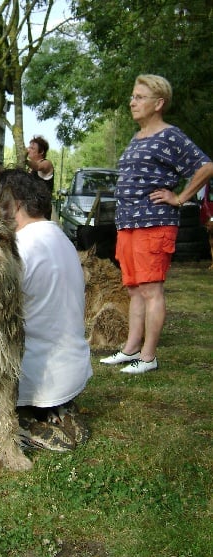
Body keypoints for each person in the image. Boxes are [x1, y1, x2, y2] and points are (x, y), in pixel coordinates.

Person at [0, 167, 92, 452]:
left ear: (12, 206)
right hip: (72, 371)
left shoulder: (20, 248)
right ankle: (55, 410)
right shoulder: (63, 240)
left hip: (32, 379)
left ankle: (26, 426)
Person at [100, 74, 213, 374]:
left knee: (152, 291)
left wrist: (180, 197)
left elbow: (205, 166)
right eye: (132, 96)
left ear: (158, 103)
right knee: (135, 291)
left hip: (154, 224)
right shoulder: (137, 137)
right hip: (129, 225)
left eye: (139, 97)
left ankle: (149, 357)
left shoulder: (170, 136)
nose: (132, 102)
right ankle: (130, 349)